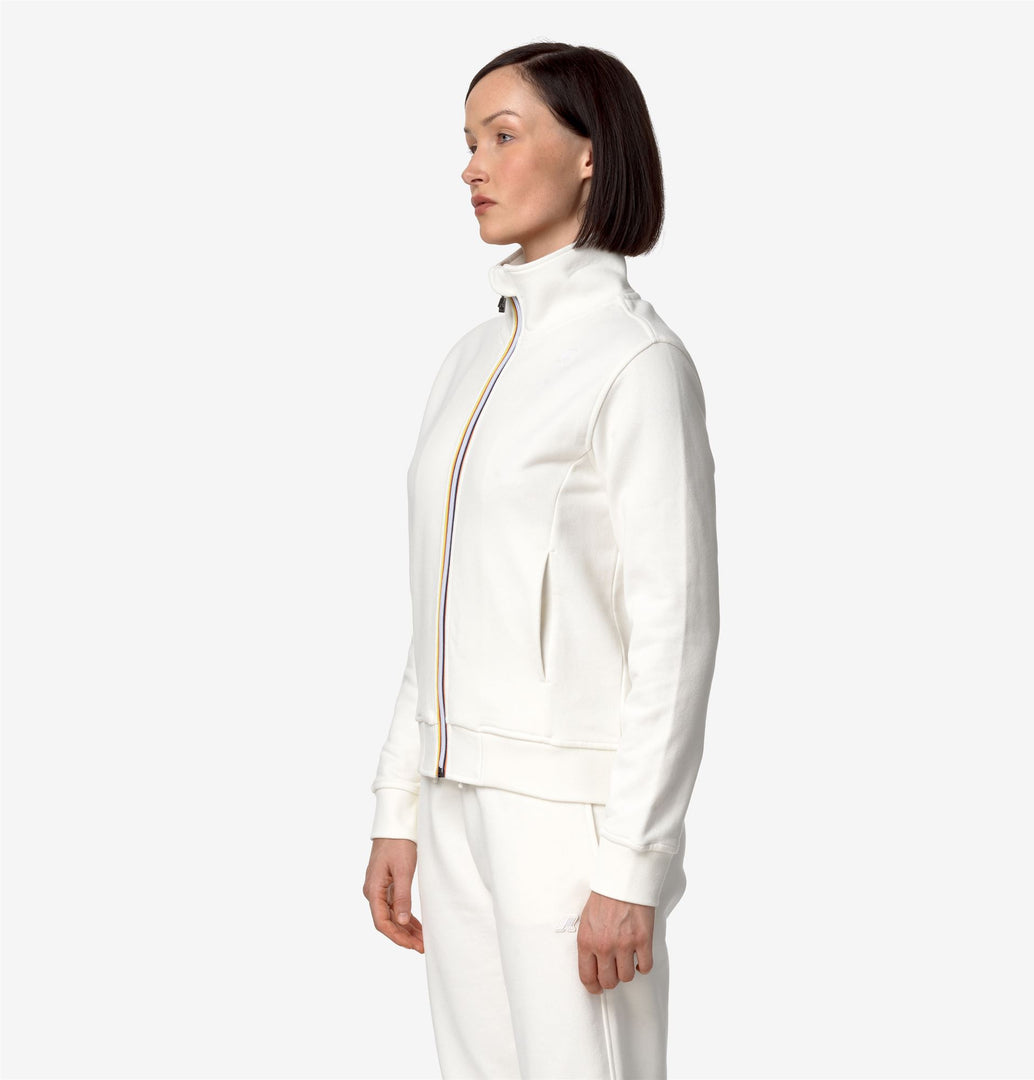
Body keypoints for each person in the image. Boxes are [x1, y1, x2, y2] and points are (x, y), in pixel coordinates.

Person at [363, 41, 720, 1080]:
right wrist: (398, 802)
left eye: (503, 136)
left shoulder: (636, 361)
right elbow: (439, 600)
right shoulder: (470, 359)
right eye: (469, 141)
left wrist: (635, 863)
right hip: (454, 800)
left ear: (590, 154)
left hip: (569, 820)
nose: (471, 166)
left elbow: (675, 630)